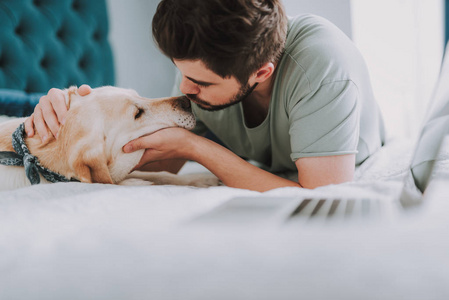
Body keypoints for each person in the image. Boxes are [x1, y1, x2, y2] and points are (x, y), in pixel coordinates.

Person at [25, 0, 385, 192]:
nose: (184, 89)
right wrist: (69, 119)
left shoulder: (322, 66)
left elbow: (322, 195)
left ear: (261, 73)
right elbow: (161, 158)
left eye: (201, 83)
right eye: (180, 71)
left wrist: (194, 147)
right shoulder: (201, 64)